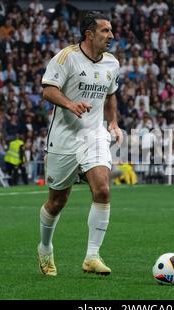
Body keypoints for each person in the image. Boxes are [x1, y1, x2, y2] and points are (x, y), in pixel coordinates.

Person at [38, 11, 122, 276]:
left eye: (110, 30)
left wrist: (113, 123)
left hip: (93, 134)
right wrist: (70, 104)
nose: (111, 35)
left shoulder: (112, 63)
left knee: (103, 189)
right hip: (64, 137)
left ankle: (92, 257)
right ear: (89, 34)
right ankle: (45, 247)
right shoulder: (67, 57)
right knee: (57, 201)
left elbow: (111, 96)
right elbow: (48, 90)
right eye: (105, 31)